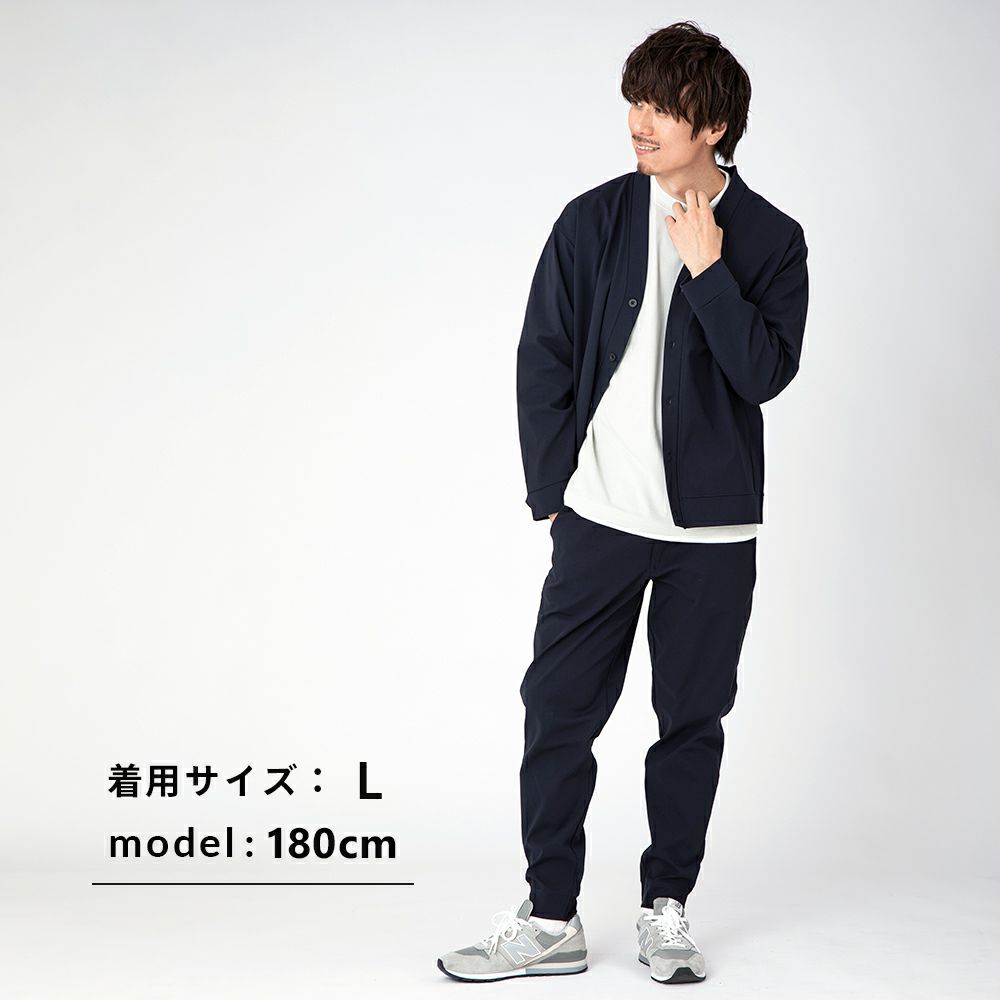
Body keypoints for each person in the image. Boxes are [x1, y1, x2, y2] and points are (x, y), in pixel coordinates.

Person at [438, 20, 809, 986]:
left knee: (691, 720)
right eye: (634, 101)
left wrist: (709, 269)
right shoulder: (593, 220)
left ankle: (666, 909)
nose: (640, 122)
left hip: (712, 534)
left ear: (713, 126)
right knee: (558, 710)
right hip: (599, 519)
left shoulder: (772, 240)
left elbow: (765, 375)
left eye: (663, 107)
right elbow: (543, 358)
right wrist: (552, 495)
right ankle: (550, 916)